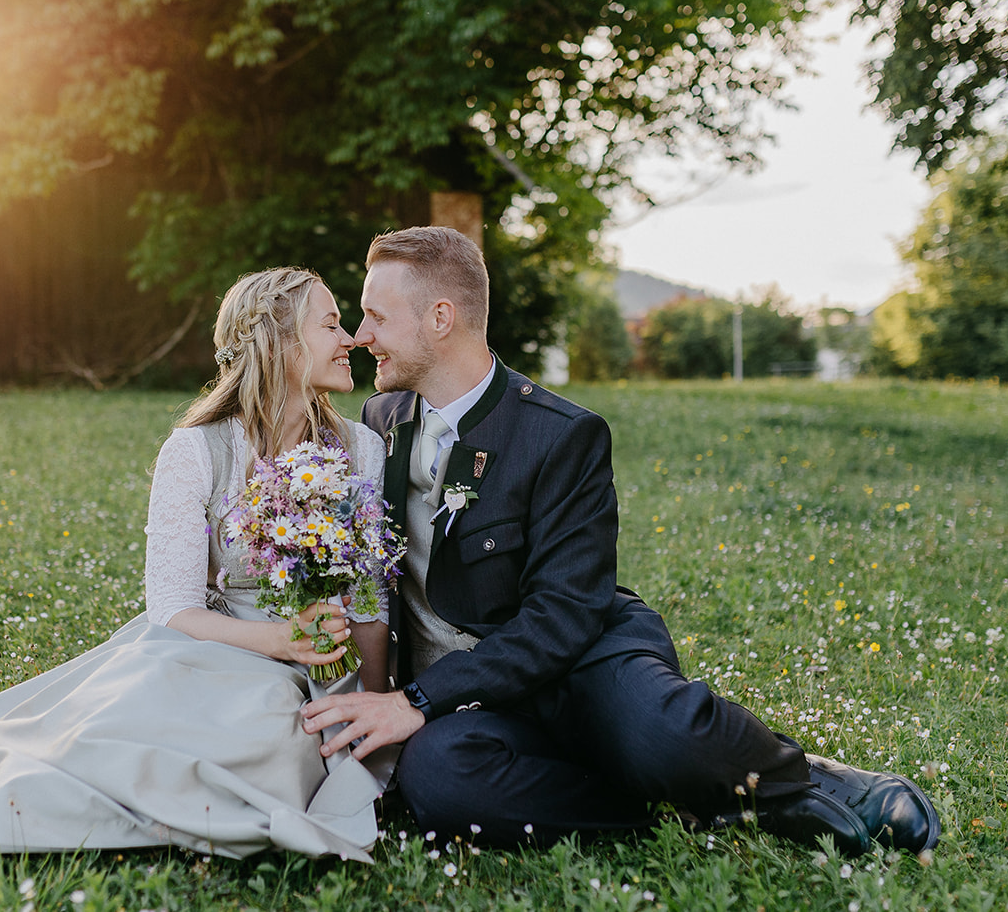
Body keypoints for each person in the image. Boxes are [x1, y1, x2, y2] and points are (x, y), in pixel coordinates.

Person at [301, 227, 940, 857]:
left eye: (376, 317)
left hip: (577, 660)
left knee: (661, 735)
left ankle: (802, 779)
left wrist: (414, 701)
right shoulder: (380, 423)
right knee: (438, 781)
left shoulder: (562, 435)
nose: (361, 336)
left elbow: (564, 615)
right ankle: (668, 802)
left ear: (440, 318)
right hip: (471, 704)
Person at [0, 268, 395, 860]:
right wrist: (277, 639)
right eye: (331, 324)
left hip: (322, 662)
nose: (349, 341)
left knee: (276, 739)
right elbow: (173, 609)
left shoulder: (361, 447)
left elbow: (369, 599)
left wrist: (369, 700)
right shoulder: (196, 451)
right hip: (214, 647)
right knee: (151, 737)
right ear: (279, 342)